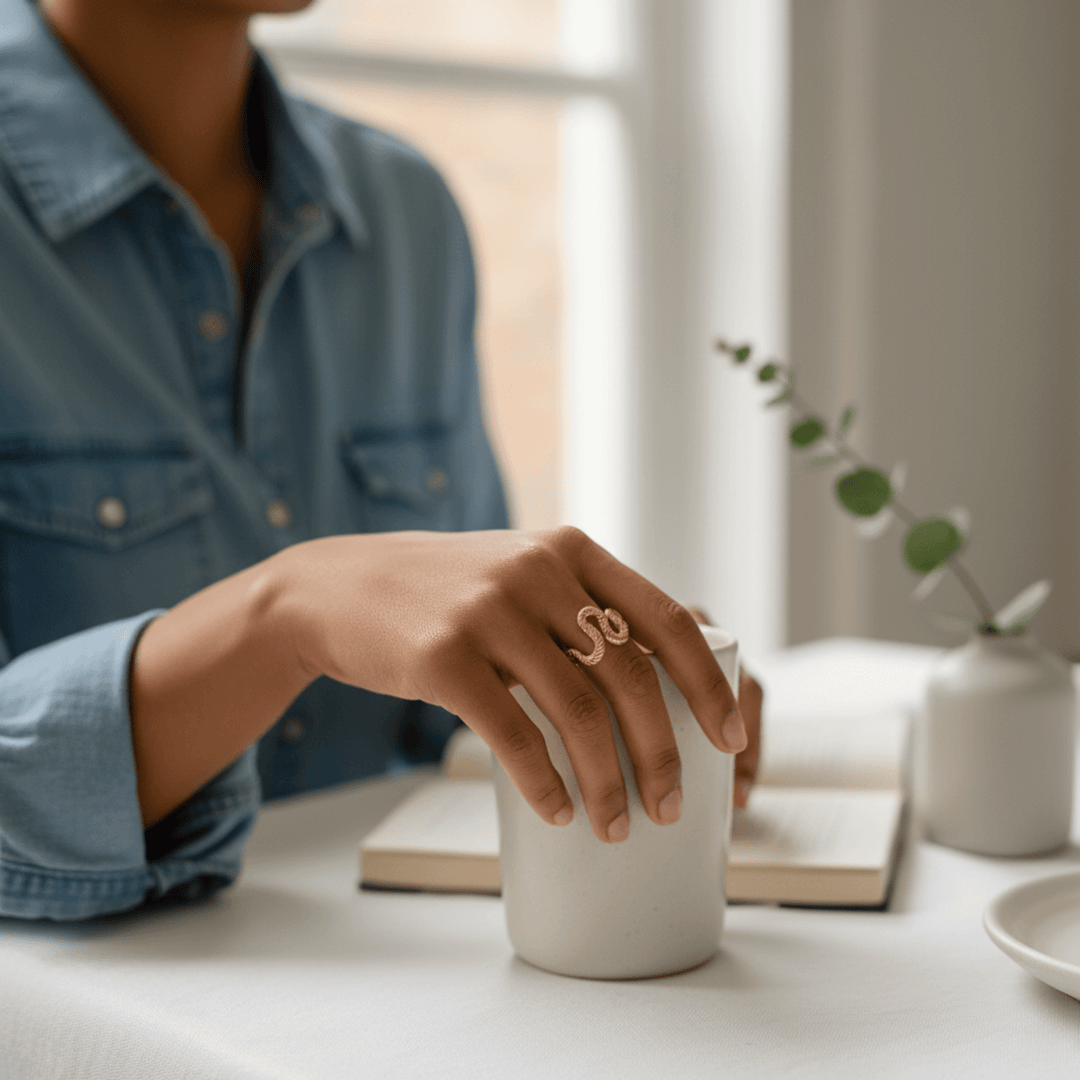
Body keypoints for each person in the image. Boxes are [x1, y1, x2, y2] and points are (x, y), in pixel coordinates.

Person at [0, 0, 761, 922]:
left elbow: (451, 704)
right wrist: (285, 613)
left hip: (405, 961)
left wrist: (599, 668)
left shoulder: (403, 211)